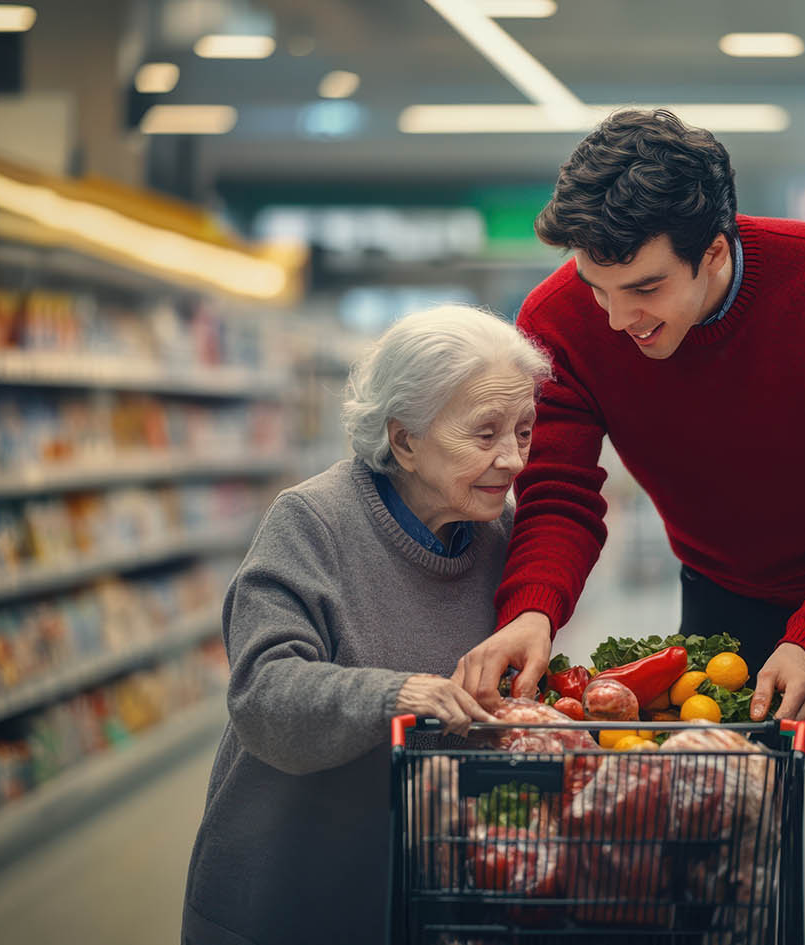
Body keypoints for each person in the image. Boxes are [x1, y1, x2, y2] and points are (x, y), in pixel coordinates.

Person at [452, 109, 805, 942]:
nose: (615, 319)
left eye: (643, 288)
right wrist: (532, 607)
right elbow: (563, 492)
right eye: (597, 287)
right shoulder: (561, 319)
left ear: (714, 250)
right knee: (711, 858)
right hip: (716, 605)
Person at [181, 305, 551, 945]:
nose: (513, 459)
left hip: (423, 892)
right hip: (288, 893)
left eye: (523, 430)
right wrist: (398, 694)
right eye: (484, 433)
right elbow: (263, 692)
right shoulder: (312, 521)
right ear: (404, 439)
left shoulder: (502, 533)